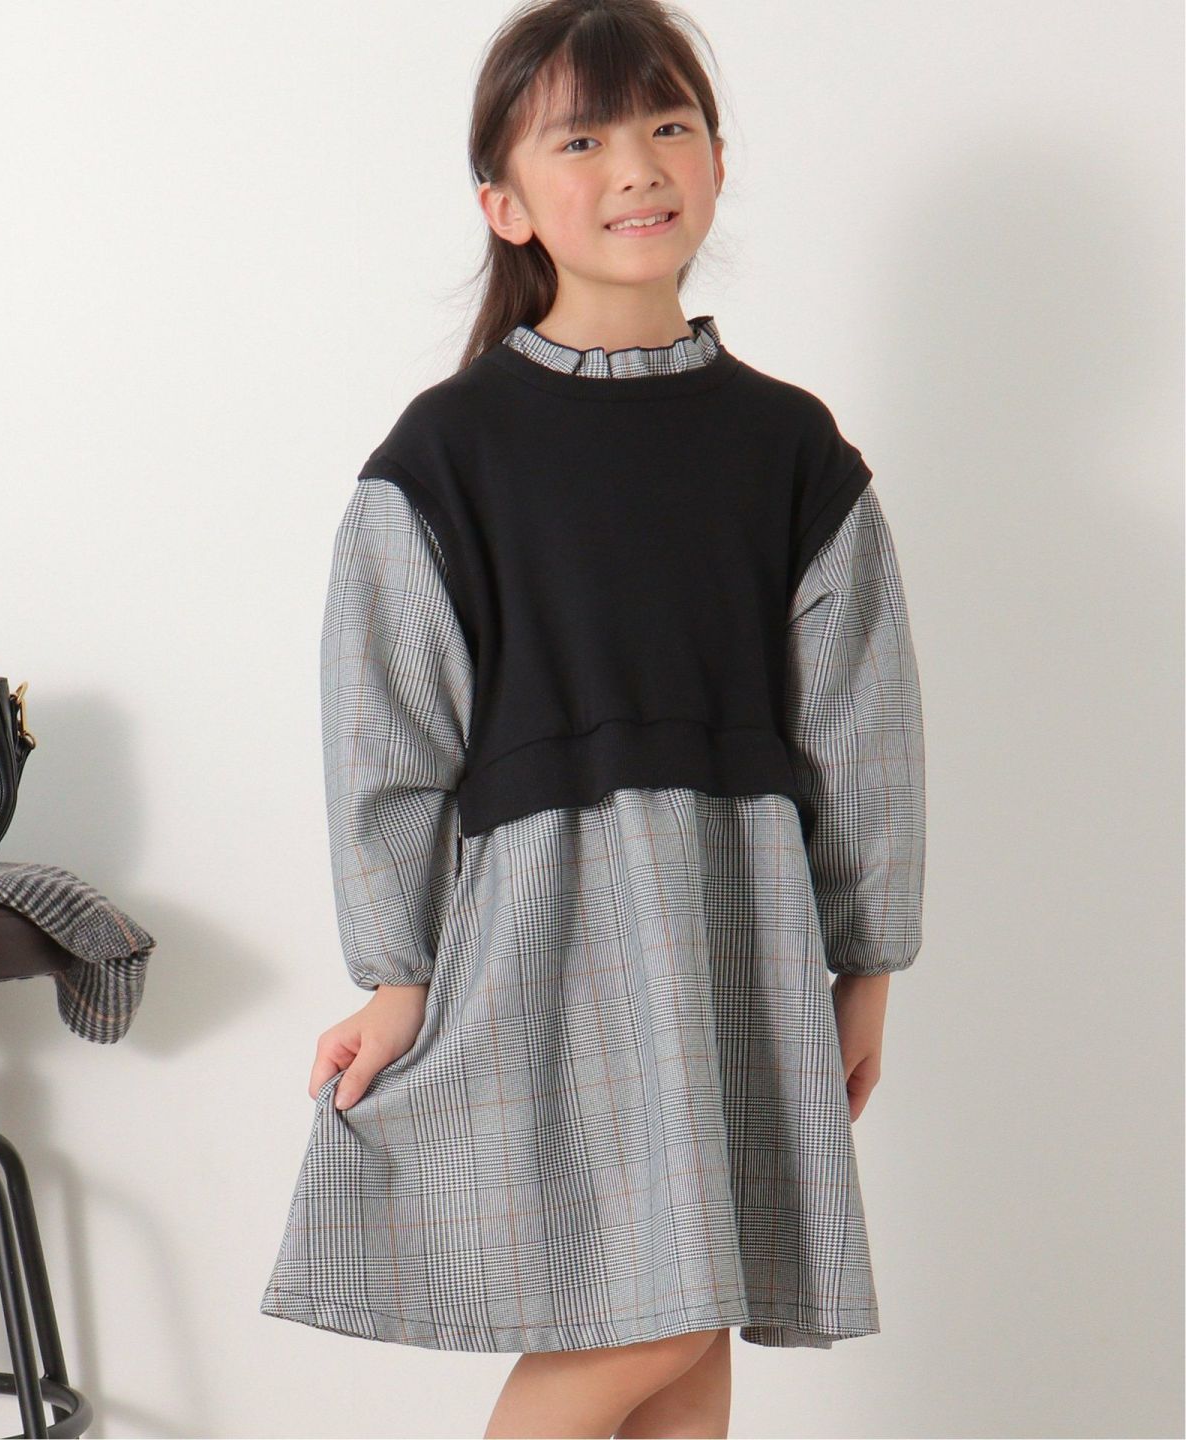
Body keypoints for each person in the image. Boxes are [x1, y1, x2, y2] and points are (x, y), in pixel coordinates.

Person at [260, 1, 927, 1435]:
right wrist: (397, 974)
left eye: (668, 124)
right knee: (656, 1307)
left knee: (696, 1326)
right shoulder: (448, 454)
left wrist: (866, 962)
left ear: (719, 161)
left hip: (741, 925)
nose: (636, 165)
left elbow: (862, 723)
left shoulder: (790, 448)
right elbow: (385, 733)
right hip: (547, 938)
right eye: (582, 140)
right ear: (503, 203)